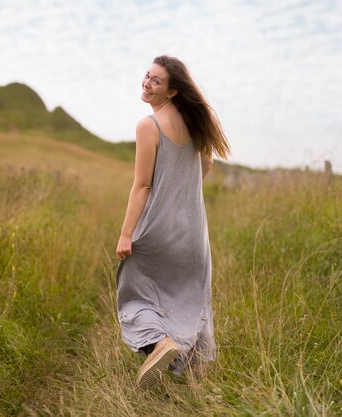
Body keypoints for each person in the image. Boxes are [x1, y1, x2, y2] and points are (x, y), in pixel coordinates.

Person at [115, 55, 230, 388]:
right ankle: (197, 387)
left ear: (172, 92)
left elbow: (142, 185)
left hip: (158, 229)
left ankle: (159, 342)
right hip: (194, 232)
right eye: (147, 76)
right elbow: (205, 165)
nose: (147, 84)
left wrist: (126, 234)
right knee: (193, 300)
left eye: (156, 81)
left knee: (134, 292)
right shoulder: (194, 125)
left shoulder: (148, 126)